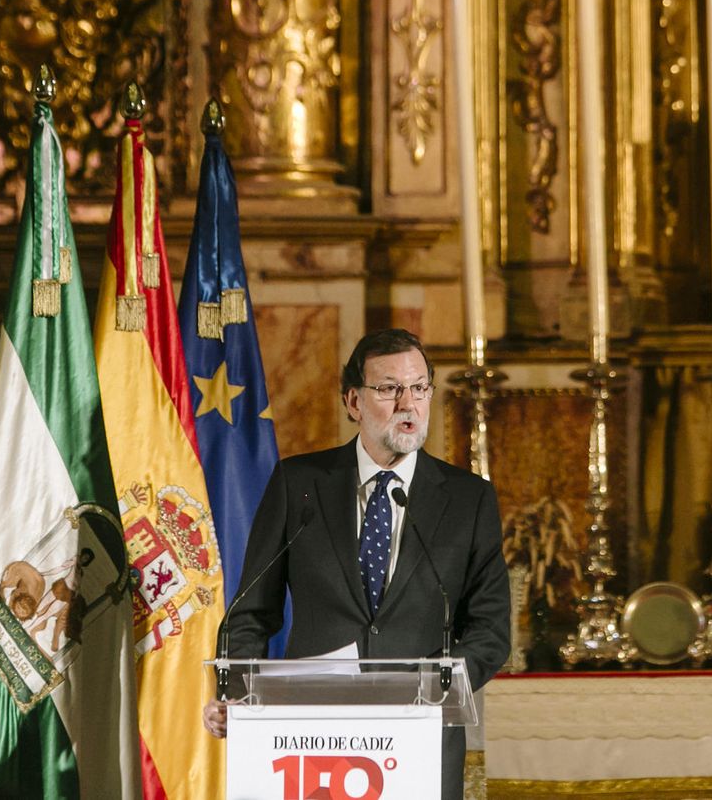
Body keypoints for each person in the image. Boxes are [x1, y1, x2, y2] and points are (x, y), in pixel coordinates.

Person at [202, 328, 512, 799]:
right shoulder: (299, 483)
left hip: (419, 740)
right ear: (354, 402)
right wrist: (238, 689)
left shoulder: (469, 499)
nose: (408, 403)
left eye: (420, 387)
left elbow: (490, 630)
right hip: (309, 742)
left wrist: (431, 688)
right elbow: (251, 612)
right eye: (389, 389)